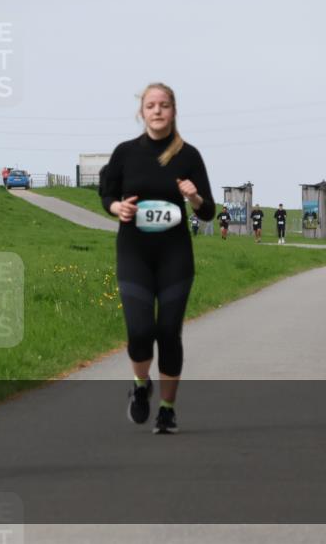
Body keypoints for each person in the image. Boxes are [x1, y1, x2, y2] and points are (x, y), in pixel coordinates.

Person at [100, 82, 215, 435]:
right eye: (151, 105)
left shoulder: (188, 156)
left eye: (164, 105)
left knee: (168, 331)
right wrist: (116, 207)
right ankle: (139, 385)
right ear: (142, 112)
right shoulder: (125, 153)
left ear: (174, 110)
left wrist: (194, 198)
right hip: (134, 252)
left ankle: (166, 409)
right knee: (139, 331)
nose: (157, 111)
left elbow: (208, 211)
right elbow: (107, 193)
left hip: (174, 255)